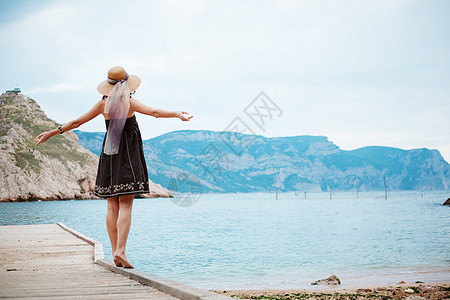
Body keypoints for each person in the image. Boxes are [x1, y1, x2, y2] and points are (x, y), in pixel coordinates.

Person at [34, 66, 193, 268]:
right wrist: (177, 114)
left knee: (111, 205)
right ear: (127, 85)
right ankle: (121, 251)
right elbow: (154, 112)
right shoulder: (130, 103)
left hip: (109, 155)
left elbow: (76, 122)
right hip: (128, 155)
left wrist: (52, 132)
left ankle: (114, 251)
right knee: (126, 204)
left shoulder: (103, 105)